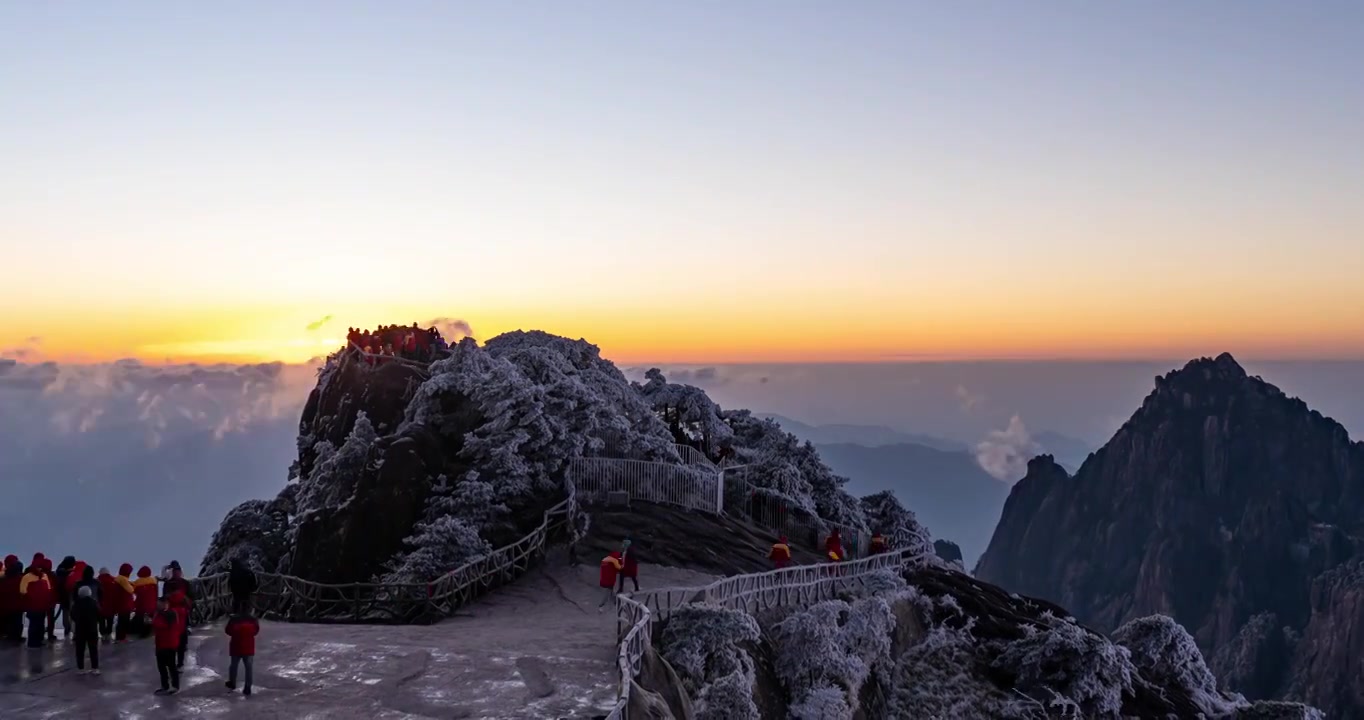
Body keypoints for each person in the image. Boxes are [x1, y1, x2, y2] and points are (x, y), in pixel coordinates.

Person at [163, 561, 192, 667]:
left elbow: (191, 596)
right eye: (175, 571)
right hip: (174, 614)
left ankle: (178, 661)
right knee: (176, 637)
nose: (177, 573)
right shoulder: (169, 583)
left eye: (178, 571)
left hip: (181, 613)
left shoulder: (185, 583)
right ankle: (176, 660)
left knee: (180, 637)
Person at [224, 609, 260, 696]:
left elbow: (228, 631)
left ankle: (232, 683)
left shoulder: (234, 619)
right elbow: (256, 631)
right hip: (248, 646)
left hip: (236, 645)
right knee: (248, 668)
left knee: (234, 666)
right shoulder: (253, 619)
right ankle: (247, 687)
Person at [19, 558, 52, 648]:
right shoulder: (44, 576)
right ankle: (38, 641)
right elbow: (48, 590)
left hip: (33, 605)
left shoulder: (26, 577)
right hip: (41, 605)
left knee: (34, 623)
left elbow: (22, 591)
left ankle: (33, 642)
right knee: (39, 623)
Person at [151, 597, 182, 695]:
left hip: (168, 644)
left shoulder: (169, 614)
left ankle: (174, 686)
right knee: (161, 667)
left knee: (171, 666)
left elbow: (162, 625)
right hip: (161, 644)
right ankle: (165, 685)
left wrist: (154, 620)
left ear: (165, 603)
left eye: (159, 604)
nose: (157, 606)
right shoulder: (161, 613)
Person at [71, 584, 101, 675]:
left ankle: (81, 668)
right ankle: (95, 668)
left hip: (80, 629)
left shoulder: (76, 603)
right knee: (93, 649)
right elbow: (99, 614)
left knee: (80, 650)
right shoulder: (94, 602)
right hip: (92, 629)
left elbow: (73, 615)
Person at [53, 556, 76, 639]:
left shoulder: (59, 570)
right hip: (67, 594)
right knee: (69, 612)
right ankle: (69, 629)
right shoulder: (66, 572)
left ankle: (67, 629)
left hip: (62, 595)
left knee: (65, 613)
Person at [132, 566, 158, 636]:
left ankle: (140, 631)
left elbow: (133, 591)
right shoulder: (154, 581)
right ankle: (151, 631)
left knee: (140, 618)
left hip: (141, 605)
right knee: (151, 618)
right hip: (152, 605)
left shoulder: (137, 582)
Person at [115, 564, 136, 642]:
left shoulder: (119, 579)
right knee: (124, 621)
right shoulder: (123, 580)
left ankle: (119, 637)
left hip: (121, 604)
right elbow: (130, 590)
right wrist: (134, 586)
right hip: (124, 604)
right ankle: (121, 638)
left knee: (121, 621)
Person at [97, 567, 119, 638]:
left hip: (101, 606)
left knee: (101, 622)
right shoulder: (114, 580)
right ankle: (108, 634)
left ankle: (103, 634)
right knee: (110, 621)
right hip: (111, 605)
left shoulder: (97, 581)